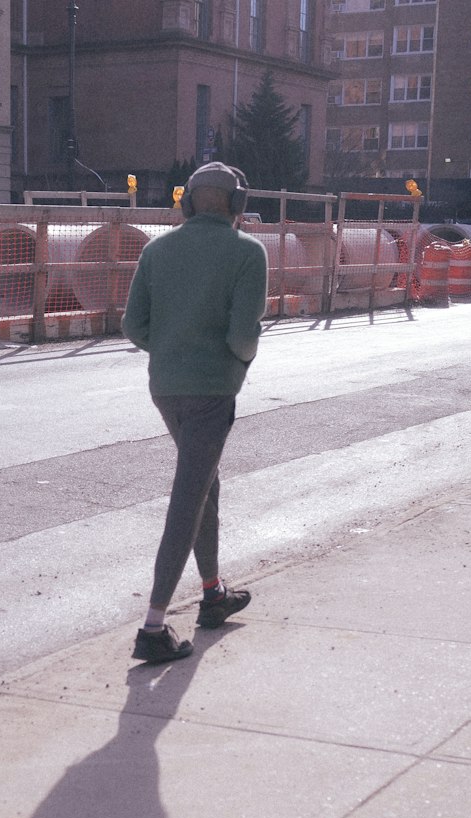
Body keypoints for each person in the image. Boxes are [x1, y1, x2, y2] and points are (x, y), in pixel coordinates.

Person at [122, 161, 269, 664]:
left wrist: (170, 349)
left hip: (166, 388)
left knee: (206, 484)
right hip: (213, 391)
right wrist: (238, 362)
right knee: (188, 498)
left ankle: (213, 594)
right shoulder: (248, 252)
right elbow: (243, 336)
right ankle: (153, 626)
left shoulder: (156, 249)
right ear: (237, 206)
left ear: (187, 203)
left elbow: (133, 325)